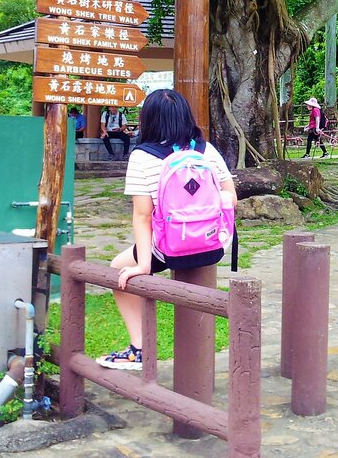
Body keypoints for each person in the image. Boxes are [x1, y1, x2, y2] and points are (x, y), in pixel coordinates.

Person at [98, 89, 236, 371]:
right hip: (213, 247)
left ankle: (139, 348)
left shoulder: (142, 157)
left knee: (116, 268)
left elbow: (142, 215)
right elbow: (230, 197)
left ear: (148, 120)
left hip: (169, 251)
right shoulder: (205, 150)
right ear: (186, 116)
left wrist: (144, 265)